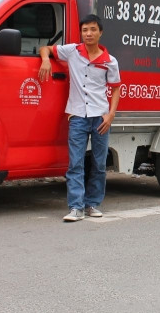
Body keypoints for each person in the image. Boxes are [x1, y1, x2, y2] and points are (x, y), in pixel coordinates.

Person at [39, 14, 120, 222]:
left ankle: (93, 203)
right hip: (77, 116)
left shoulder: (110, 61)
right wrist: (46, 61)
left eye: (93, 30)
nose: (89, 34)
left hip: (100, 118)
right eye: (85, 30)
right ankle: (76, 207)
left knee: (99, 163)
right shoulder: (73, 51)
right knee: (75, 163)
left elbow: (116, 88)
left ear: (100, 33)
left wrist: (110, 115)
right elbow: (46, 48)